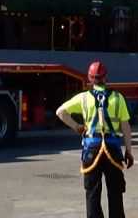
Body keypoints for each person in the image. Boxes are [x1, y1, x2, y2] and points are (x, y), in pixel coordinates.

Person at [57, 60, 134, 218]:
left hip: (92, 150)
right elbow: (125, 127)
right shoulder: (118, 98)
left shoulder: (83, 98)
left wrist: (78, 127)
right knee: (115, 193)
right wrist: (129, 151)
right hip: (113, 150)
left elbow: (60, 112)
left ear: (89, 78)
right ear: (106, 77)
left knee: (92, 194)